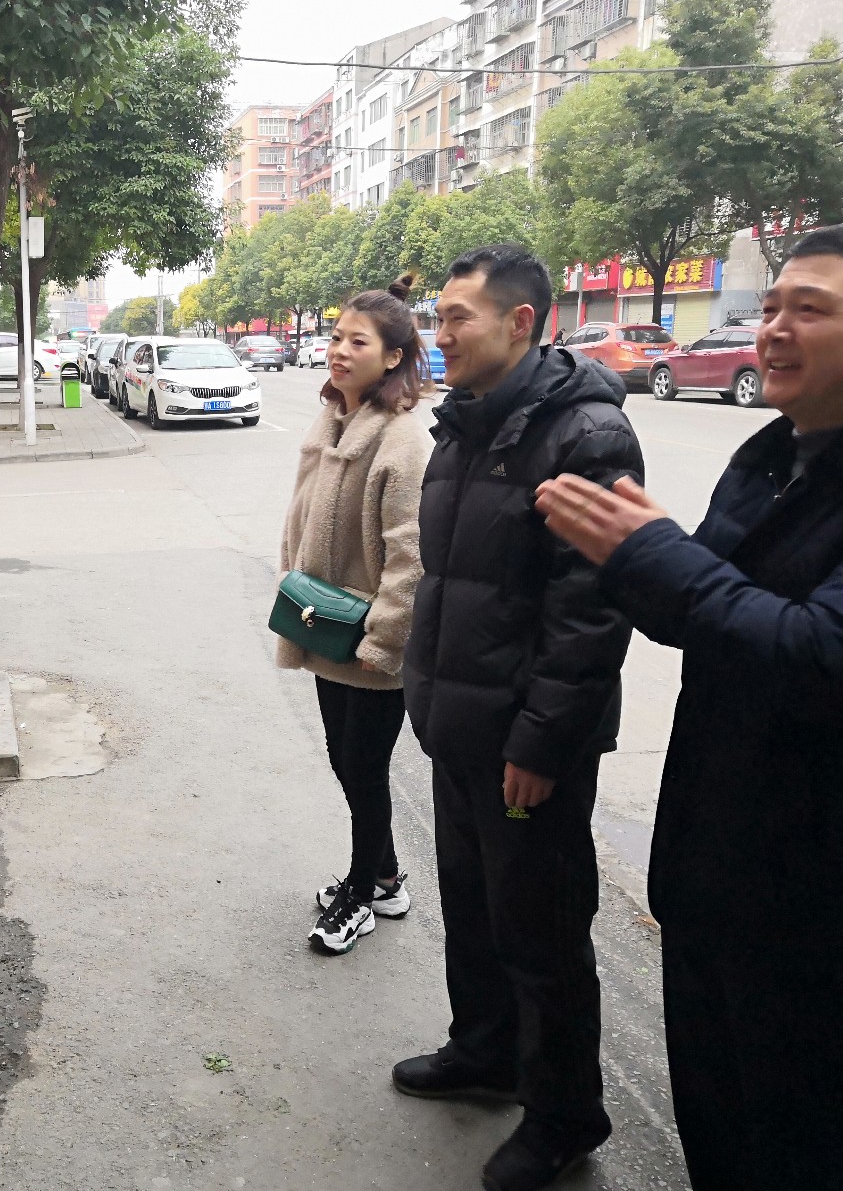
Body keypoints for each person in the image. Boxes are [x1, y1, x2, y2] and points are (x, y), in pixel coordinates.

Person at [534, 218, 843, 1191]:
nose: (773, 330)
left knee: (808, 1149)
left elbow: (822, 658)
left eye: (810, 309)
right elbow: (707, 617)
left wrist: (655, 556)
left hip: (824, 905)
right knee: (716, 1126)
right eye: (772, 306)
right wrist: (630, 558)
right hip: (714, 868)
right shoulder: (775, 454)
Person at [397, 245, 644, 1191]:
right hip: (459, 724)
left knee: (541, 933)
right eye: (438, 317)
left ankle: (564, 1115)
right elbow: (451, 582)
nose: (441, 334)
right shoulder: (464, 422)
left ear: (522, 322)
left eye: (458, 318)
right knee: (472, 905)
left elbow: (590, 613)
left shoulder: (585, 434)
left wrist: (542, 743)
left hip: (527, 744)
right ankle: (485, 1051)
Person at [276, 278, 433, 955]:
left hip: (369, 642)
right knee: (346, 762)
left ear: (393, 357)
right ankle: (386, 876)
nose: (339, 350)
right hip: (326, 627)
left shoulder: (403, 440)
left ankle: (361, 896)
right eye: (336, 337)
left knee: (363, 772)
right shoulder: (332, 420)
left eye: (357, 342)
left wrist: (384, 640)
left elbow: (412, 557)